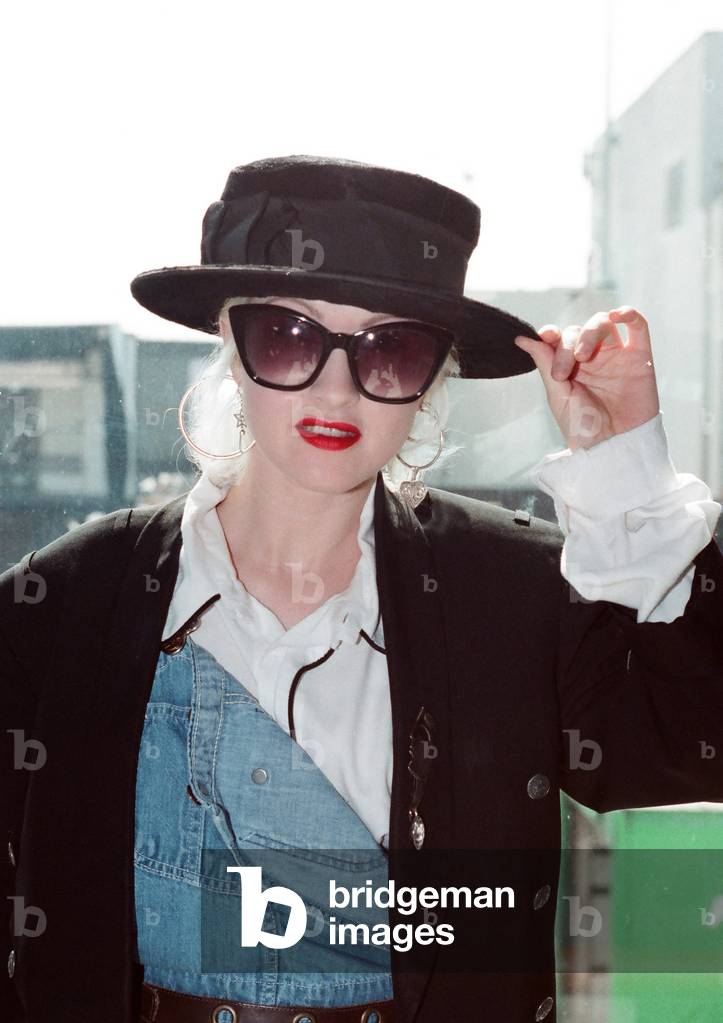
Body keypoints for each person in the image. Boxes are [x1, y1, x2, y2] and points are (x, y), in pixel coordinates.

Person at [1, 155, 721, 1023]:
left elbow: (690, 739)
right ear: (230, 345)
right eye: (288, 336)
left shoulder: (513, 593)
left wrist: (626, 470)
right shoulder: (69, 598)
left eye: (393, 347)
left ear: (432, 378)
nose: (336, 386)